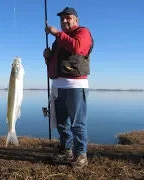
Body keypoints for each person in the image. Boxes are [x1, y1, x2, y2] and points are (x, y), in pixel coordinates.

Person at [43, 7, 94, 168]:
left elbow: (77, 47)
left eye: (68, 18)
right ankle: (66, 150)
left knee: (77, 123)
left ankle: (81, 155)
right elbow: (57, 64)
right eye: (62, 18)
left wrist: (56, 33)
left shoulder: (83, 32)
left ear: (76, 20)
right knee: (61, 122)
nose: (64, 20)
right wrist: (48, 57)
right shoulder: (59, 40)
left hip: (76, 86)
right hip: (58, 86)